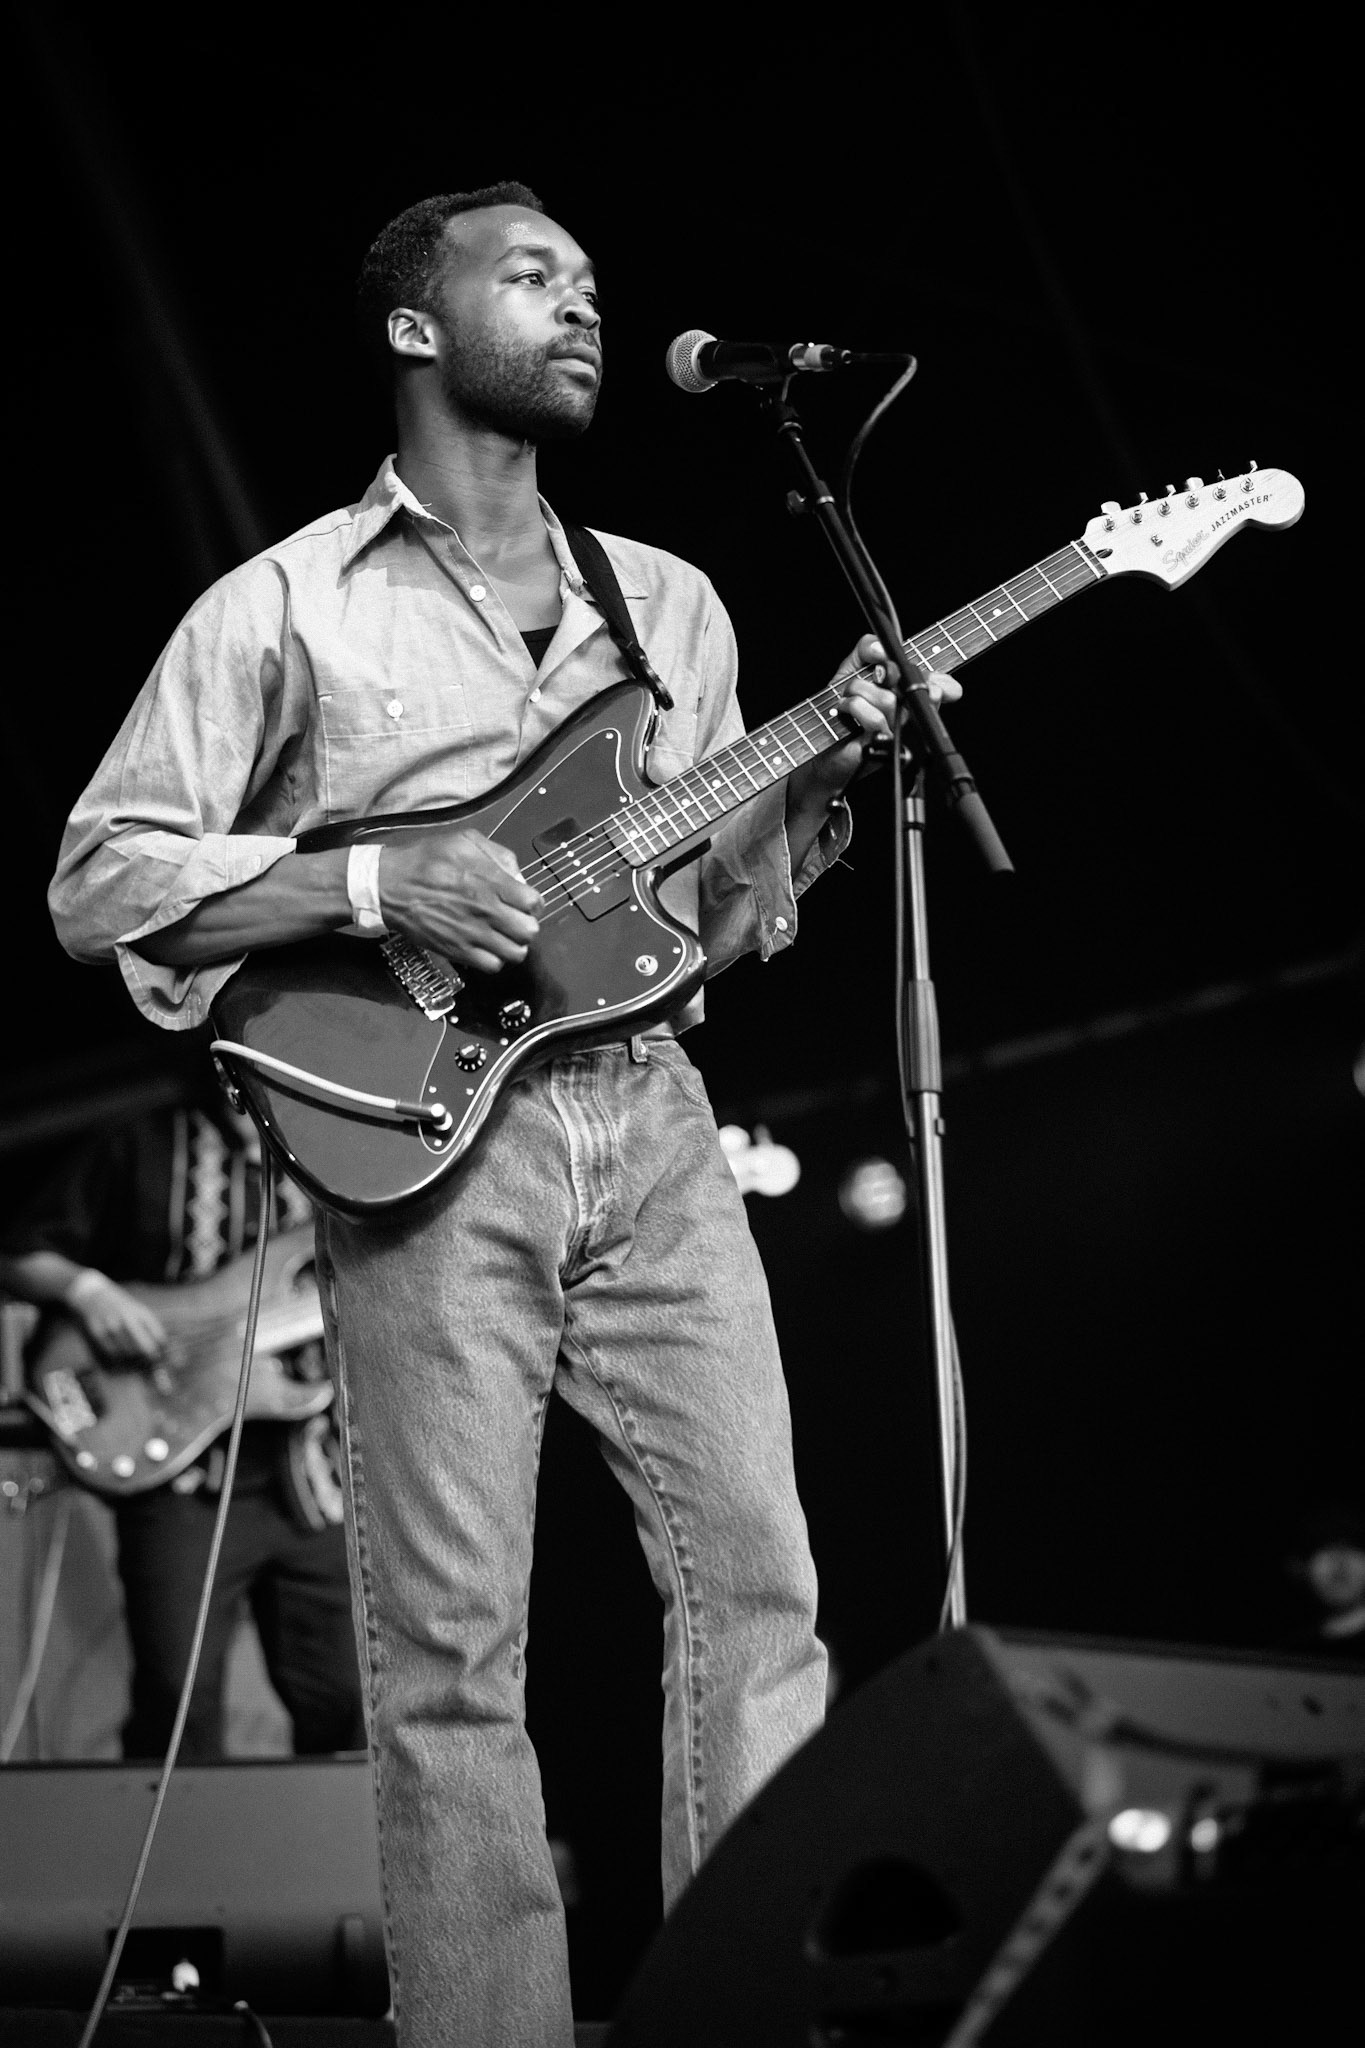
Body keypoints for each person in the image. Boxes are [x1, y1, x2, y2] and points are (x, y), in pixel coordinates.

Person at [46, 182, 959, 2045]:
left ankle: (737, 2009)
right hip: (430, 1156)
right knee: (456, 1657)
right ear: (413, 324)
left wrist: (823, 778)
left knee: (763, 1586)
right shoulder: (284, 601)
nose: (583, 307)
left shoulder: (673, 606)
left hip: (659, 1113)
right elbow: (100, 879)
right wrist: (377, 888)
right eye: (534, 276)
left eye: (594, 283)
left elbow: (713, 922)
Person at [0, 1080, 366, 1760]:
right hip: (180, 1482)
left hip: (313, 1481)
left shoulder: (341, 1154)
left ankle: (333, 1862)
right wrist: (89, 1292)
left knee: (348, 1703)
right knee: (176, 1704)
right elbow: (20, 1254)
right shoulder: (138, 1142)